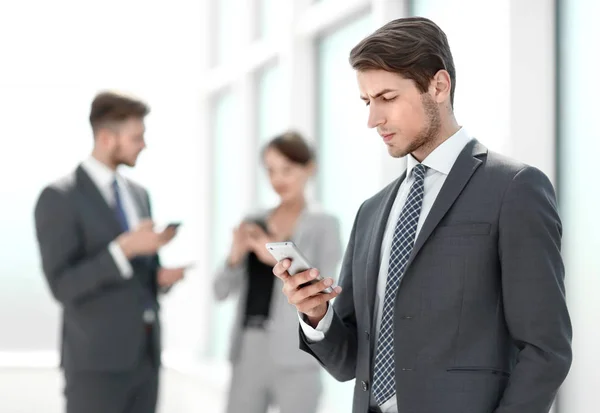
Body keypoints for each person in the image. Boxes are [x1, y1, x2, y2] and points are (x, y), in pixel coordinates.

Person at [273, 17, 572, 413]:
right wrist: (317, 315)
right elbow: (349, 363)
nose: (373, 119)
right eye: (367, 102)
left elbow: (546, 349)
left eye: (387, 98)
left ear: (439, 86)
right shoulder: (372, 211)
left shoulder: (514, 188)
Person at [34, 91, 187, 413]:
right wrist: (123, 249)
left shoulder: (138, 194)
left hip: (146, 356)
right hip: (95, 364)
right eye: (137, 137)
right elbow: (62, 285)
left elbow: (138, 277)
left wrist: (160, 277)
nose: (143, 144)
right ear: (106, 137)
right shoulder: (60, 197)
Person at [214, 131, 342, 413]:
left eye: (287, 169)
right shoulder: (254, 221)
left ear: (309, 169)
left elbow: (324, 289)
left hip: (298, 351)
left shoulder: (324, 224)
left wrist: (269, 255)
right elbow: (219, 291)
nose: (278, 179)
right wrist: (235, 255)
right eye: (271, 170)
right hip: (249, 347)